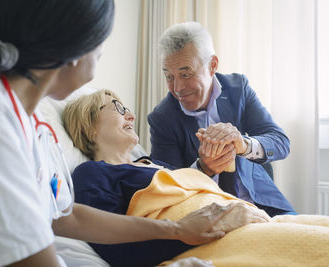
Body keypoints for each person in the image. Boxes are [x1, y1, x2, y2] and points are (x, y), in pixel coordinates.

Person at [0, 2, 237, 266]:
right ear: (75, 49)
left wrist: (177, 229)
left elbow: (67, 218)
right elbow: (26, 257)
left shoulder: (33, 123)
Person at [62, 89, 271, 267]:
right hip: (214, 244)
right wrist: (206, 229)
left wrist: (227, 164)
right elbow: (117, 251)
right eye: (118, 108)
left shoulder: (158, 166)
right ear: (89, 125)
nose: (131, 116)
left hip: (250, 225)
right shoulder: (92, 173)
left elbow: (220, 201)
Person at [147, 21, 296, 217]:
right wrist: (203, 168)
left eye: (185, 74)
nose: (177, 88)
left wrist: (243, 145)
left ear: (212, 65)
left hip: (263, 203)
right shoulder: (162, 118)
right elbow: (168, 188)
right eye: (169, 76)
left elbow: (280, 142)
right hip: (209, 214)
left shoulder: (238, 89)